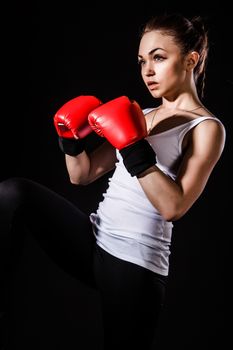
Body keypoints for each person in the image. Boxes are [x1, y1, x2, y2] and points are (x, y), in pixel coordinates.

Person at [0, 12, 226, 350]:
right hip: (94, 239)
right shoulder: (142, 115)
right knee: (14, 192)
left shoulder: (206, 127)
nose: (147, 70)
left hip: (135, 264)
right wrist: (70, 141)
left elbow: (174, 206)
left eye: (159, 58)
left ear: (191, 60)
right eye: (141, 61)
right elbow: (82, 174)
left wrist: (134, 148)